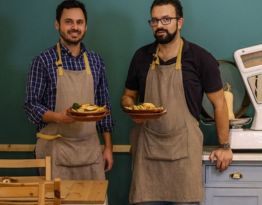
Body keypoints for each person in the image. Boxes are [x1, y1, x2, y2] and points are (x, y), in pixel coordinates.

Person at [121, 0, 233, 204]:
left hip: (184, 156)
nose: (159, 25)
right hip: (147, 155)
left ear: (179, 22)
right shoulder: (140, 57)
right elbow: (128, 96)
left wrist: (224, 146)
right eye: (154, 20)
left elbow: (220, 104)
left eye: (166, 19)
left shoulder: (201, 58)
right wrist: (130, 109)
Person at [24, 0, 114, 182]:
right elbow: (31, 106)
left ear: (86, 26)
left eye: (79, 22)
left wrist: (108, 147)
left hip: (90, 152)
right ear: (58, 24)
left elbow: (104, 108)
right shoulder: (42, 61)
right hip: (53, 151)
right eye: (69, 22)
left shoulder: (96, 61)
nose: (75, 27)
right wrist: (58, 118)